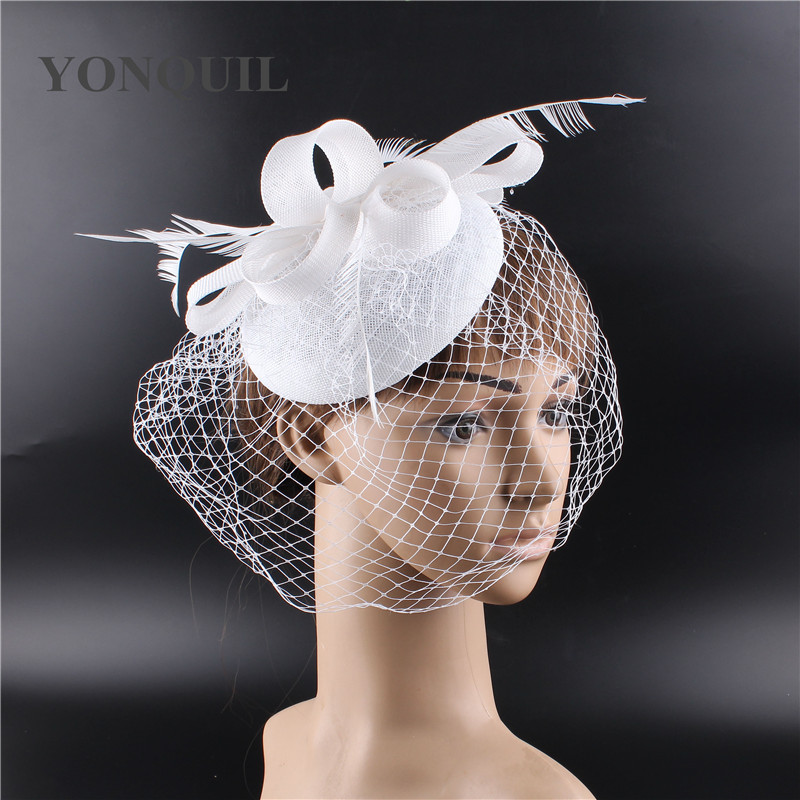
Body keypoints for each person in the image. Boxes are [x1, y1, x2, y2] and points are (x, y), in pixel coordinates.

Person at [83, 96, 640, 798]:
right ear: (315, 438)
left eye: (555, 412)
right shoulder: (289, 739)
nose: (541, 483)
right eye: (464, 426)